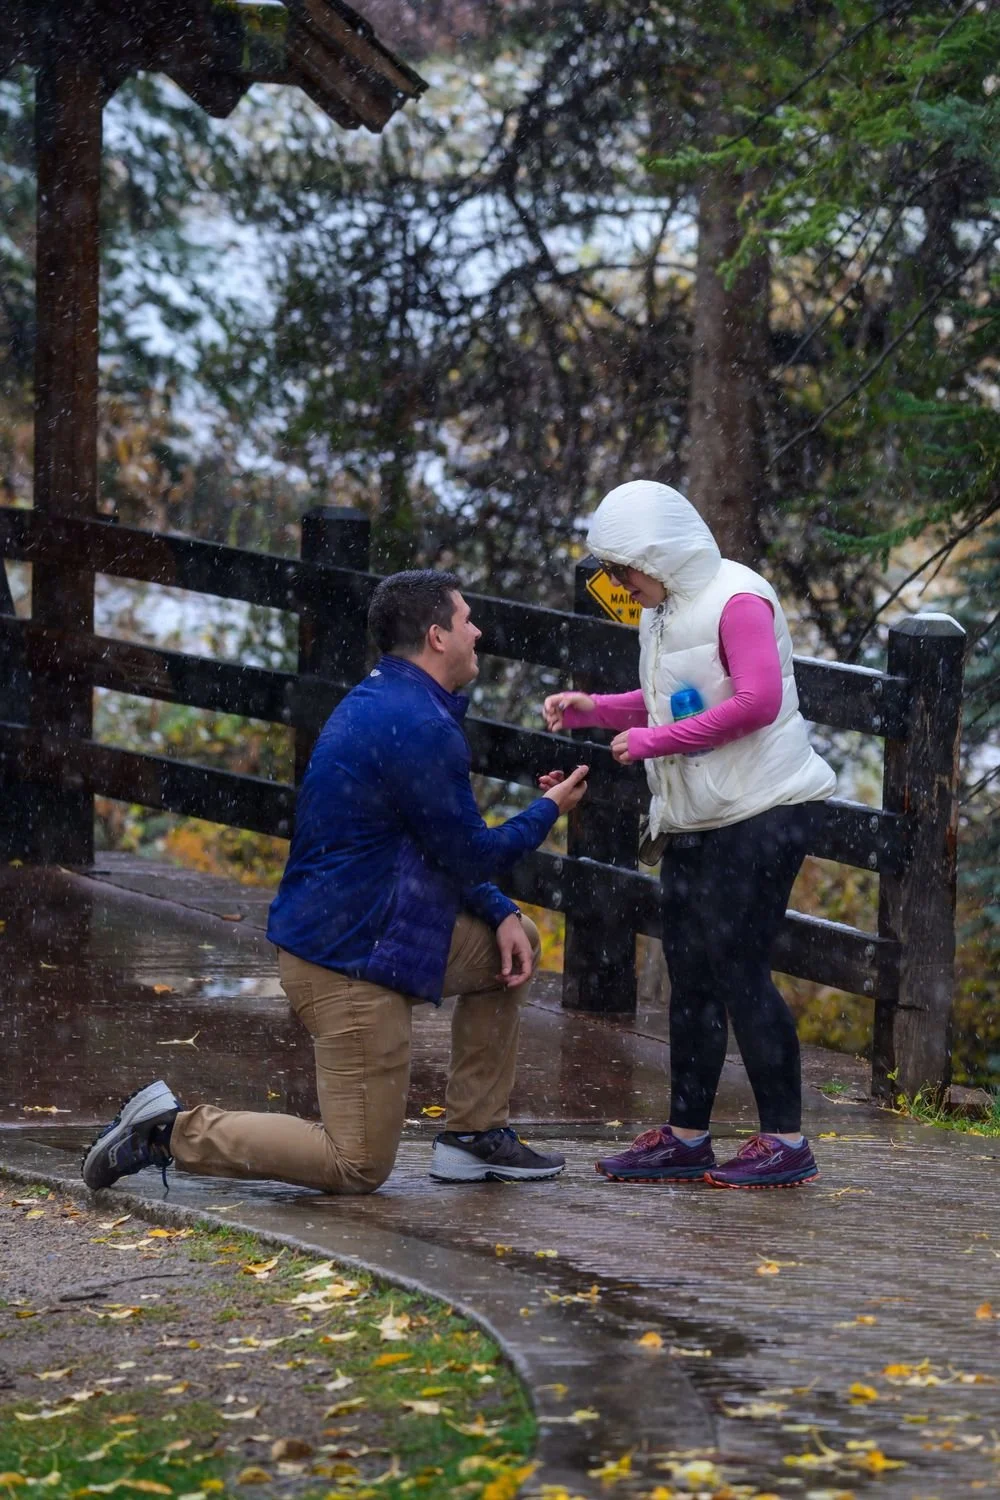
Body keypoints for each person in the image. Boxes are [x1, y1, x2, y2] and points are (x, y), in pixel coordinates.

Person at [83, 570, 588, 1197]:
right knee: (357, 1165)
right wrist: (550, 811)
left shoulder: (391, 702)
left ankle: (474, 1137)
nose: (477, 631)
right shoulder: (420, 726)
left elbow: (433, 842)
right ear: (436, 636)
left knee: (512, 945)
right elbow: (471, 850)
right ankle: (169, 1132)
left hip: (369, 929)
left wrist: (498, 910)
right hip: (347, 962)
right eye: (466, 619)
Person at [542, 480, 836, 1189]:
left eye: (624, 570)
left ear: (660, 554)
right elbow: (673, 692)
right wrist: (594, 710)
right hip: (697, 815)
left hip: (762, 809)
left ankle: (786, 1140)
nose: (618, 585)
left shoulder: (737, 600)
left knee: (739, 966)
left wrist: (651, 741)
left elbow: (758, 701)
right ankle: (686, 1135)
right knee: (692, 973)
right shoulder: (667, 606)